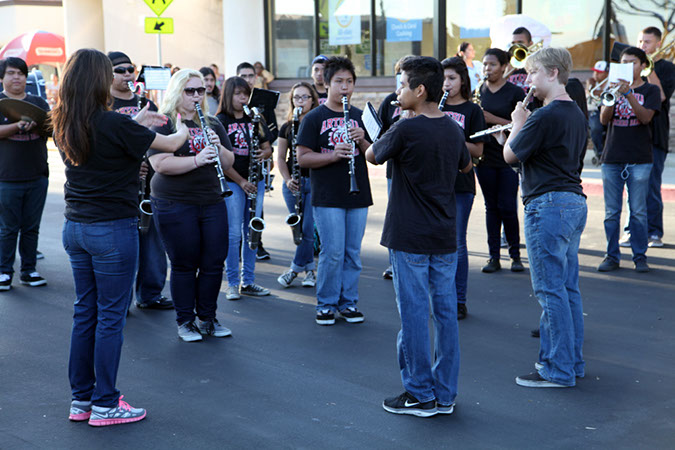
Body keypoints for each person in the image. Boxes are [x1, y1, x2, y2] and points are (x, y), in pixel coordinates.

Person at [52, 48, 189, 426]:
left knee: (86, 313)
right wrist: (183, 123)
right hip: (111, 228)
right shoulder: (114, 123)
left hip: (75, 227)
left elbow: (117, 139)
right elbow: (173, 144)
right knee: (111, 317)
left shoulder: (65, 120)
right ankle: (106, 403)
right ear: (99, 80)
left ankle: (82, 401)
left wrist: (140, 122)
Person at [366, 56, 472, 417]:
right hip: (444, 233)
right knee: (444, 315)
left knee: (413, 314)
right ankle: (445, 394)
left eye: (402, 86)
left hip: (409, 235)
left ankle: (419, 393)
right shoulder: (453, 128)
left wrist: (386, 128)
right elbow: (466, 166)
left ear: (420, 89)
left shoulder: (404, 128)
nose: (398, 93)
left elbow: (372, 154)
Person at [501, 47, 588, 388]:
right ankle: (572, 363)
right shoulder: (576, 114)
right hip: (572, 202)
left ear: (553, 73)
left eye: (533, 73)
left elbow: (510, 155)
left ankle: (557, 369)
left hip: (547, 204)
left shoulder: (543, 116)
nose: (529, 81)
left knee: (550, 291)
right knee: (568, 289)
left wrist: (517, 125)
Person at [149, 69, 235, 341]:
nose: (197, 95)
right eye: (190, 91)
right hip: (175, 202)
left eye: (201, 90)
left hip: (211, 200)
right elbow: (160, 164)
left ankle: (208, 318)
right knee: (184, 263)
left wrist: (218, 147)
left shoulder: (211, 122)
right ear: (177, 92)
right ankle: (185, 321)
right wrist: (197, 160)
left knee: (213, 262)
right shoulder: (164, 124)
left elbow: (230, 162)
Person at [296, 56, 373, 326]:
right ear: (326, 83)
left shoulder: (361, 116)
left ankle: (348, 302)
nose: (345, 87)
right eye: (339, 81)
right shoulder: (314, 118)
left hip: (358, 192)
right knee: (333, 252)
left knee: (353, 252)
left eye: (349, 82)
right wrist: (332, 156)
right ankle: (326, 304)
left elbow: (375, 156)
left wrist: (362, 138)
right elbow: (302, 158)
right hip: (327, 195)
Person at [107, 51, 173, 311]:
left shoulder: (148, 103)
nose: (127, 74)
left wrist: (150, 160)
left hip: (150, 183)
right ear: (108, 75)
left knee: (153, 240)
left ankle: (150, 294)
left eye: (129, 69)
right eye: (120, 70)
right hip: (121, 184)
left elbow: (158, 137)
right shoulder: (105, 105)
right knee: (123, 246)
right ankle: (121, 300)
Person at [598, 46, 661, 273]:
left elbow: (645, 118)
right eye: (623, 62)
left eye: (632, 62)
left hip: (640, 157)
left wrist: (628, 95)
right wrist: (612, 96)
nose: (627, 66)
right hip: (612, 156)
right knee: (611, 212)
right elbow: (604, 121)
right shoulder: (611, 87)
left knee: (638, 211)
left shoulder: (651, 90)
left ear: (643, 65)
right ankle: (611, 255)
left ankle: (639, 256)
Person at [216, 76, 273, 300]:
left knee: (252, 230)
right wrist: (241, 181)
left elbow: (267, 146)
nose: (243, 98)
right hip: (233, 182)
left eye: (245, 94)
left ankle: (248, 281)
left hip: (255, 181)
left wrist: (264, 153)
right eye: (238, 94)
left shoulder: (254, 117)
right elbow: (219, 159)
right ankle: (232, 283)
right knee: (232, 234)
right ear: (228, 95)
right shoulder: (220, 120)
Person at [619, 27, 675, 249]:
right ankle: (630, 231)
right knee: (630, 187)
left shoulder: (667, 68)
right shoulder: (629, 67)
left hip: (655, 135)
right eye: (640, 41)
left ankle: (654, 232)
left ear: (658, 44)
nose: (643, 46)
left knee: (651, 186)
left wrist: (647, 67)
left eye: (648, 42)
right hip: (630, 135)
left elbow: (661, 96)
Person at [440, 57, 486, 320]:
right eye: (444, 79)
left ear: (463, 81)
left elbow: (478, 150)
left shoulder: (472, 111)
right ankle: (439, 295)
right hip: (435, 183)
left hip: (461, 182)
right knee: (436, 242)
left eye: (452, 79)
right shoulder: (434, 107)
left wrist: (453, 136)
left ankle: (458, 299)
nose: (447, 84)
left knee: (457, 241)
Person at [0, 57, 49, 291]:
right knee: (8, 228)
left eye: (21, 73)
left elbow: (51, 127)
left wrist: (37, 125)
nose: (17, 77)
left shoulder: (38, 102)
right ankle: (3, 272)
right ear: (2, 78)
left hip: (37, 175)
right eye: (11, 73)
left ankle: (29, 270)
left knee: (31, 227)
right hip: (6, 177)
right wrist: (17, 126)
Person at [475, 48, 526, 273]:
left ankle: (515, 256)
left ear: (504, 66)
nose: (487, 69)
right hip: (485, 157)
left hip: (507, 156)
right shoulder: (479, 90)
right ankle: (493, 256)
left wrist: (491, 119)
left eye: (492, 65)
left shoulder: (515, 92)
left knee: (507, 207)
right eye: (485, 64)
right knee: (491, 207)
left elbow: (523, 123)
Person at [276, 82, 319, 289]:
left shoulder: (318, 123)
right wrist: (286, 179)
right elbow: (281, 159)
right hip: (293, 184)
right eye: (296, 98)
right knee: (299, 229)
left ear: (313, 100)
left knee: (308, 229)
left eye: (305, 97)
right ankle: (310, 270)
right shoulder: (287, 127)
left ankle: (294, 269)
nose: (300, 101)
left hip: (315, 182)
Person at [236, 62, 277, 260]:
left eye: (251, 76)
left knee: (256, 209)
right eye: (243, 76)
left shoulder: (263, 100)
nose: (248, 79)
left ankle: (256, 242)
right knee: (237, 215)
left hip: (257, 164)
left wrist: (266, 152)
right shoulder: (232, 103)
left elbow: (272, 130)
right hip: (237, 171)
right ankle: (238, 248)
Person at [377, 55, 412, 280]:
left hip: (418, 170)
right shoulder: (390, 101)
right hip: (395, 170)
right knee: (396, 216)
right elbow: (378, 135)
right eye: (399, 76)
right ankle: (394, 262)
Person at [586, 61, 609, 164]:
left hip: (607, 109)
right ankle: (599, 153)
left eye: (599, 72)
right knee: (596, 127)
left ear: (606, 73)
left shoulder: (611, 82)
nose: (596, 74)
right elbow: (589, 95)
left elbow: (604, 94)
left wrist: (597, 92)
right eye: (595, 72)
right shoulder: (592, 83)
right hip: (593, 110)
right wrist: (589, 87)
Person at [507, 27, 534, 92]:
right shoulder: (508, 62)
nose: (516, 46)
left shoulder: (537, 64)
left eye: (520, 42)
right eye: (513, 43)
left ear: (530, 44)